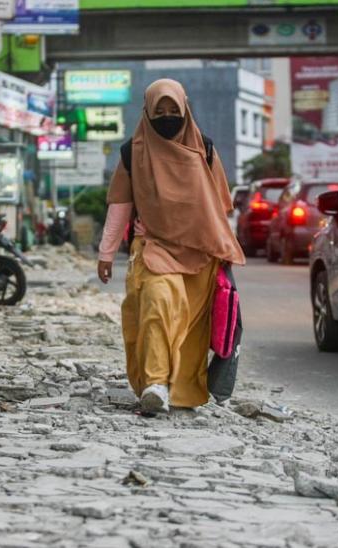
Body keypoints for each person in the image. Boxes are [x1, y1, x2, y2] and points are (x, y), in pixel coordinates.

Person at [97, 79, 246, 414]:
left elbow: (218, 206)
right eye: (159, 111)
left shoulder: (204, 148)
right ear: (147, 112)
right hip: (154, 245)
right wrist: (106, 253)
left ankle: (180, 390)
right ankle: (156, 384)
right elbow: (120, 205)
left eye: (173, 110)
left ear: (185, 109)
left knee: (190, 325)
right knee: (158, 304)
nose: (167, 117)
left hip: (200, 251)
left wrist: (224, 248)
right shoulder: (132, 152)